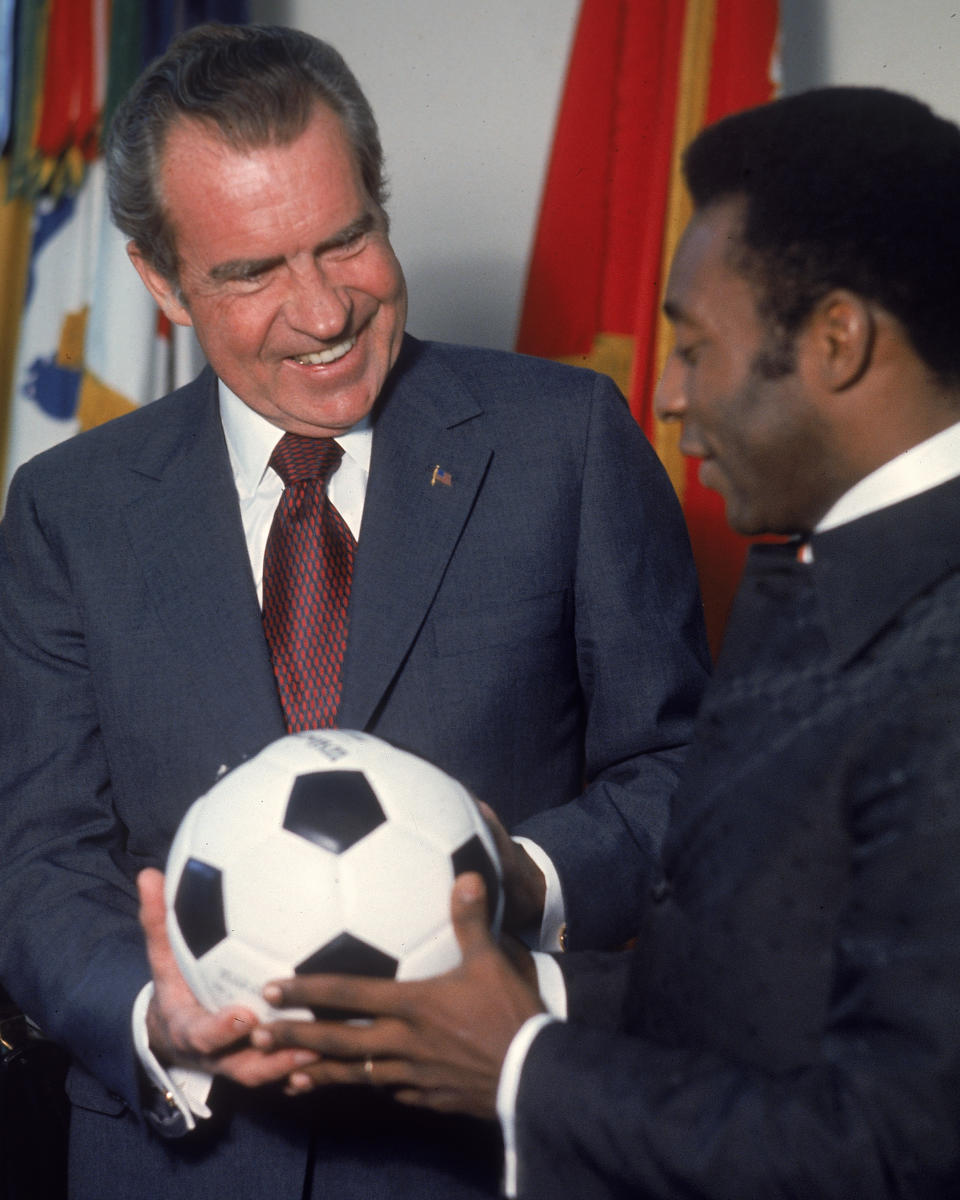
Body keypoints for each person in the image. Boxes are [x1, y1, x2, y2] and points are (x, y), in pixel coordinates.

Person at [0, 22, 708, 1200]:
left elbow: (687, 771)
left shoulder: (567, 441)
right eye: (252, 271)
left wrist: (517, 877)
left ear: (381, 206)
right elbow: (38, 854)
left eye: (346, 241)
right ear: (161, 284)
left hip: (483, 1159)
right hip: (175, 1159)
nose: (323, 311)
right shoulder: (68, 508)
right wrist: (153, 1022)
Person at [261, 86, 960, 1198]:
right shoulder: (816, 577)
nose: (668, 396)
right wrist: (527, 994)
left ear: (837, 341)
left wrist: (525, 1062)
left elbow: (898, 1150)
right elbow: (760, 986)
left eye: (693, 346)